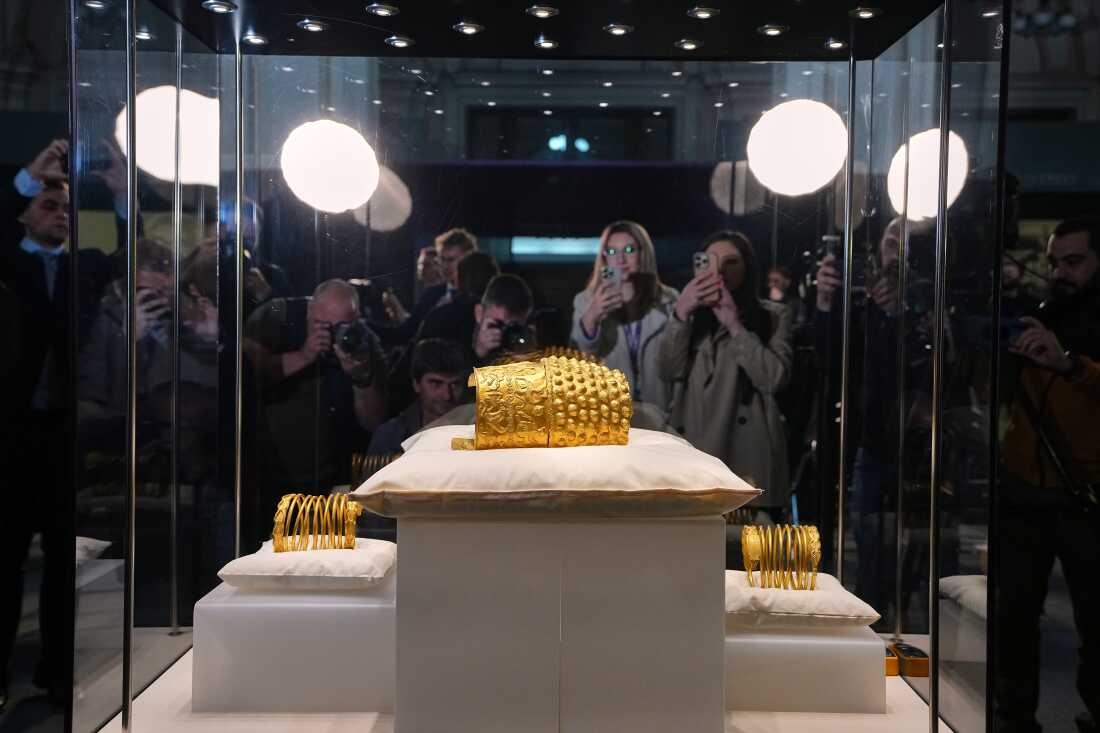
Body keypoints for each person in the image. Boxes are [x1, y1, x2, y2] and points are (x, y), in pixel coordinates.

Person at [0, 143, 113, 706]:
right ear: (23, 211)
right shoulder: (10, 263)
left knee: (61, 561)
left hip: (63, 432)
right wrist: (29, 175)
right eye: (48, 206)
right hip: (12, 432)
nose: (60, 214)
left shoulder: (82, 267)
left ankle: (55, 672)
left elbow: (124, 243)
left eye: (65, 207)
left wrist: (110, 183)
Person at [995, 216, 1100, 733]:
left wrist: (1070, 364)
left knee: (1095, 621)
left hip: (1084, 492)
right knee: (1012, 615)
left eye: (1074, 261)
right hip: (1024, 489)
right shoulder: (1041, 314)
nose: (1060, 272)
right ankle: (1013, 718)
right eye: (1055, 261)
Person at [656, 231, 792, 512]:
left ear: (748, 268)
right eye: (708, 261)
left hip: (746, 453)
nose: (719, 271)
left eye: (731, 262)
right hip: (692, 451)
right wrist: (681, 314)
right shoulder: (688, 316)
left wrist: (734, 325)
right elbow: (667, 370)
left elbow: (774, 378)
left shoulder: (773, 315)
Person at [244, 279, 387, 496]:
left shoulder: (363, 342)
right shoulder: (277, 313)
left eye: (340, 326)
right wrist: (303, 356)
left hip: (336, 476)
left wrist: (361, 378)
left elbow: (376, 423)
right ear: (309, 308)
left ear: (356, 319)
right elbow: (243, 372)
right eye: (322, 325)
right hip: (270, 472)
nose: (330, 334)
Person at [571, 220, 679, 416]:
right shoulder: (585, 301)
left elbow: (677, 362)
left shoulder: (669, 300)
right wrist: (593, 315)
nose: (620, 259)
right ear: (604, 257)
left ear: (643, 252)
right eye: (612, 252)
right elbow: (582, 361)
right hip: (610, 411)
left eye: (629, 250)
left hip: (659, 412)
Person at [368, 338, 471, 455]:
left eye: (455, 384)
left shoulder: (480, 434)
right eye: (436, 384)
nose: (447, 395)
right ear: (416, 384)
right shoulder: (389, 436)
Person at [472, 273, 535, 365]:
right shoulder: (456, 335)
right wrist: (477, 354)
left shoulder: (528, 338)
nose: (504, 333)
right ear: (479, 313)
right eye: (497, 324)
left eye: (513, 328)